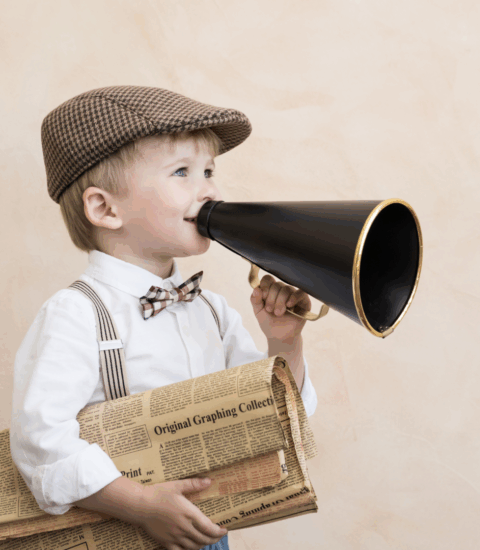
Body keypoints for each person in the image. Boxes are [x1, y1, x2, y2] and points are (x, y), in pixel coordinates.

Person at [10, 85, 317, 550]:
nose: (209, 190)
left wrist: (285, 343)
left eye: (209, 171)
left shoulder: (213, 310)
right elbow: (40, 442)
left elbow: (276, 417)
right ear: (105, 208)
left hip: (207, 534)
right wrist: (139, 504)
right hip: (123, 533)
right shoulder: (76, 313)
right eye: (182, 172)